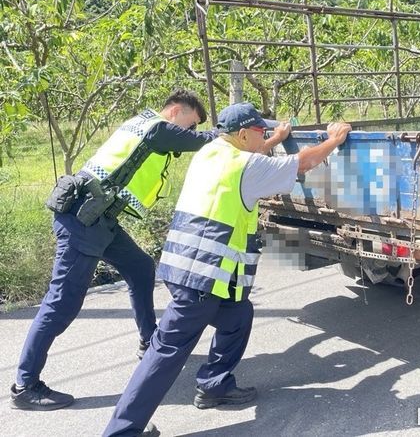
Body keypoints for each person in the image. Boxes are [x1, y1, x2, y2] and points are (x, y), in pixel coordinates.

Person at [103, 102, 351, 437]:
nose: (263, 136)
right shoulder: (245, 166)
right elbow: (302, 162)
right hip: (202, 279)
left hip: (190, 270)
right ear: (243, 133)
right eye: (260, 131)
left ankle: (215, 385)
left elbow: (252, 155)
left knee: (237, 316)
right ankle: (121, 431)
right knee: (165, 354)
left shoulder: (210, 152)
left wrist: (274, 138)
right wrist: (333, 140)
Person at [10, 89, 217, 411]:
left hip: (98, 219)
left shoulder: (144, 125)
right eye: (190, 124)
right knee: (60, 305)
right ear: (176, 111)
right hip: (83, 220)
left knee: (140, 267)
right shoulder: (156, 128)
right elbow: (201, 141)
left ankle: (149, 338)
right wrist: (231, 131)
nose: (189, 132)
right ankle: (25, 385)